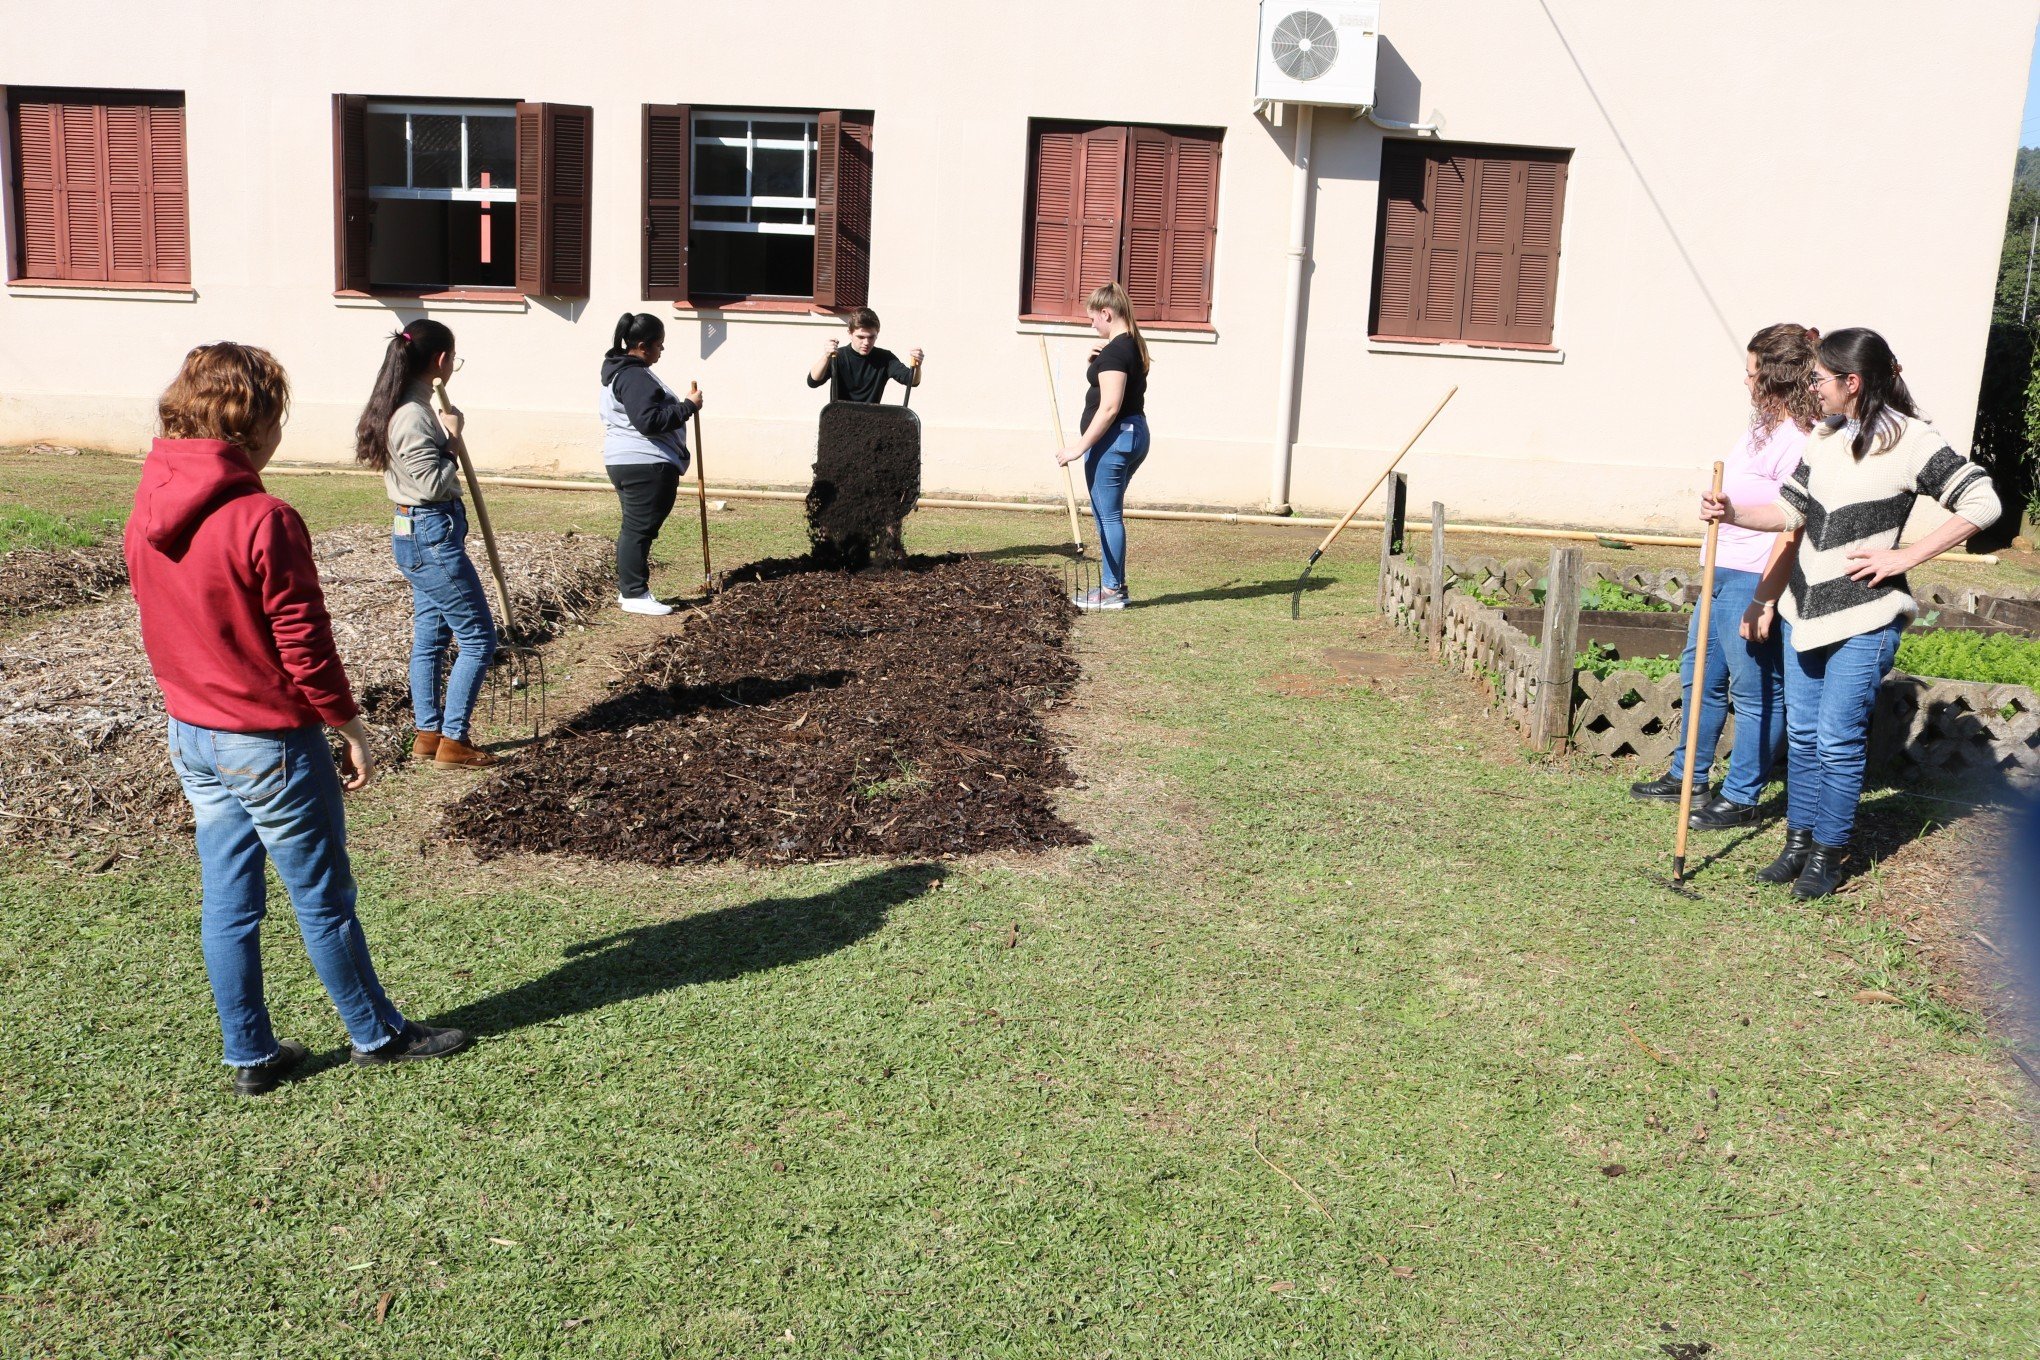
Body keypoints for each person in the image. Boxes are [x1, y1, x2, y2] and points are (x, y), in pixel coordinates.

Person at [127, 342, 470, 1096]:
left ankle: (249, 1053)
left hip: (193, 735)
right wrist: (349, 726)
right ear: (253, 425)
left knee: (229, 902)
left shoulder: (147, 501)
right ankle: (376, 1035)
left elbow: (158, 616)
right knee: (322, 900)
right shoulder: (264, 517)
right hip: (268, 743)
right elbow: (304, 645)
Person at [1703, 327, 2000, 898]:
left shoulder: (1913, 441)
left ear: (1852, 381)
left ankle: (1828, 854)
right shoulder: (1825, 437)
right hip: (1802, 612)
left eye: (1819, 378)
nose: (1812, 388)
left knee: (1837, 740)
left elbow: (1983, 501)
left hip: (1866, 618)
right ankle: (1798, 843)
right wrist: (1732, 510)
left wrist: (1906, 555)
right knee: (1809, 739)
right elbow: (1790, 509)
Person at [1631, 324, 1819, 828]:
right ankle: (1687, 776)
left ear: (1775, 378)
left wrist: (1766, 597)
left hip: (1751, 576)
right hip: (1718, 567)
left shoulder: (1799, 441)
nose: (1746, 379)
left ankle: (1741, 796)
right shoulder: (1760, 430)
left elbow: (1792, 524)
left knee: (1755, 691)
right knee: (1700, 679)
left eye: (1753, 370)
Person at [351, 320, 498, 769]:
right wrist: (453, 438)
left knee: (431, 639)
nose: (454, 365)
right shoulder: (413, 416)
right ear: (440, 361)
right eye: (454, 358)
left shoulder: (408, 406)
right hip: (429, 534)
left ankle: (428, 733)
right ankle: (454, 740)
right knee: (478, 638)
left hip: (421, 533)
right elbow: (433, 484)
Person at [600, 312, 702, 617]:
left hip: (633, 461)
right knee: (638, 528)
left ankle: (631, 590)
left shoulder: (623, 371)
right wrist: (688, 407)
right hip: (644, 462)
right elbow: (648, 421)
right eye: (659, 345)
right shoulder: (634, 376)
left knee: (637, 527)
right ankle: (634, 594)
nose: (661, 351)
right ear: (643, 345)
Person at [1056, 282, 1150, 611]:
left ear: (1107, 313)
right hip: (1132, 434)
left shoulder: (1116, 351)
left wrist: (1078, 448)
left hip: (1116, 438)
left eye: (1093, 318)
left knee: (1108, 516)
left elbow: (1109, 407)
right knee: (1107, 514)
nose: (1091, 324)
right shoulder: (1130, 345)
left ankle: (1112, 591)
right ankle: (1114, 587)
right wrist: (1097, 363)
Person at [806, 307, 923, 403]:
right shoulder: (837, 356)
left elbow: (912, 381)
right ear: (850, 334)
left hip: (870, 422)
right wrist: (826, 356)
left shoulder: (885, 358)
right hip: (839, 419)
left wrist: (917, 366)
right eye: (861, 337)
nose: (866, 343)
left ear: (877, 333)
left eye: (871, 337)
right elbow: (813, 381)